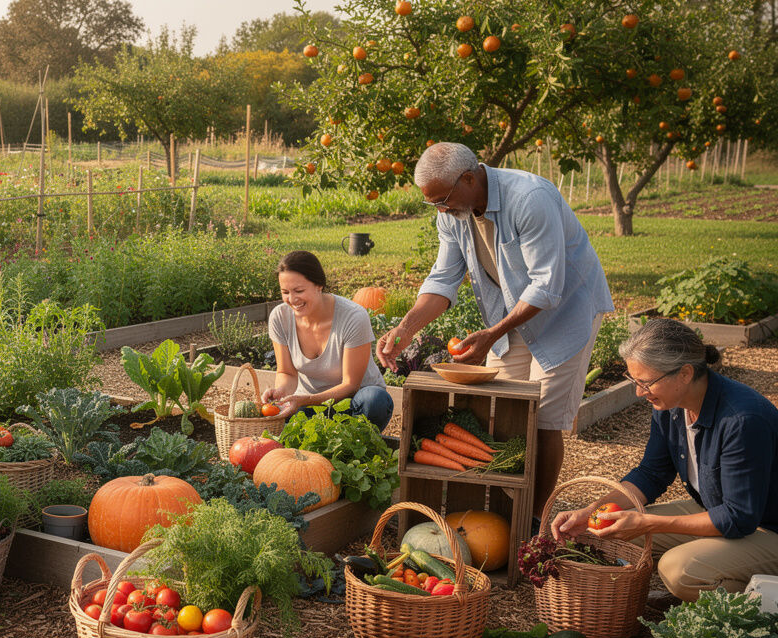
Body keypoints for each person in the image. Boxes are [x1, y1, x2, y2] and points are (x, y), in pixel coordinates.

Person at [376, 142, 614, 513]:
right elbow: (443, 279)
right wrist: (404, 329)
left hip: (566, 310)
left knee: (545, 418)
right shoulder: (453, 214)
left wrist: (492, 334)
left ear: (469, 178)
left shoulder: (530, 198)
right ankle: (505, 510)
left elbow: (547, 286)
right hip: (512, 312)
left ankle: (532, 519)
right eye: (433, 203)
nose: (440, 209)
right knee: (501, 410)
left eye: (443, 199)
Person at [551, 318, 778, 602]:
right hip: (720, 511)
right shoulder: (671, 406)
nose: (638, 392)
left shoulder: (742, 420)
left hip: (766, 530)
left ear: (684, 374)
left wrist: (649, 524)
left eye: (646, 382)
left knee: (678, 569)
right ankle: (711, 581)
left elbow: (739, 517)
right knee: (604, 530)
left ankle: (765, 599)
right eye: (634, 380)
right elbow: (652, 473)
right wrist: (590, 511)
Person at [261, 250, 394, 431]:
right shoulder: (280, 317)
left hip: (355, 404)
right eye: (285, 292)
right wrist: (281, 393)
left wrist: (306, 400)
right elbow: (287, 373)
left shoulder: (353, 317)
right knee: (278, 420)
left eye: (299, 291)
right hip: (309, 407)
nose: (292, 300)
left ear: (319, 285)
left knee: (375, 400)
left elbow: (351, 384)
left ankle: (356, 438)